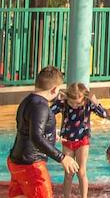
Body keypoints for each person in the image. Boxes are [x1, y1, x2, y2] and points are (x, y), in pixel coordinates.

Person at [8, 66, 79, 198]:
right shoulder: (41, 106)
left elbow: (26, 129)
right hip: (32, 165)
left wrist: (51, 134)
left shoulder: (27, 101)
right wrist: (62, 157)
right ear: (53, 89)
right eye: (59, 89)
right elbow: (36, 137)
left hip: (16, 161)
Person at [51, 84, 107, 198]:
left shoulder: (88, 103)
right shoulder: (63, 103)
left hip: (83, 141)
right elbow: (47, 113)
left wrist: (96, 103)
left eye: (78, 103)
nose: (75, 105)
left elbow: (104, 114)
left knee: (81, 172)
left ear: (84, 98)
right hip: (67, 141)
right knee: (68, 173)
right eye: (72, 102)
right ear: (67, 98)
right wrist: (57, 100)